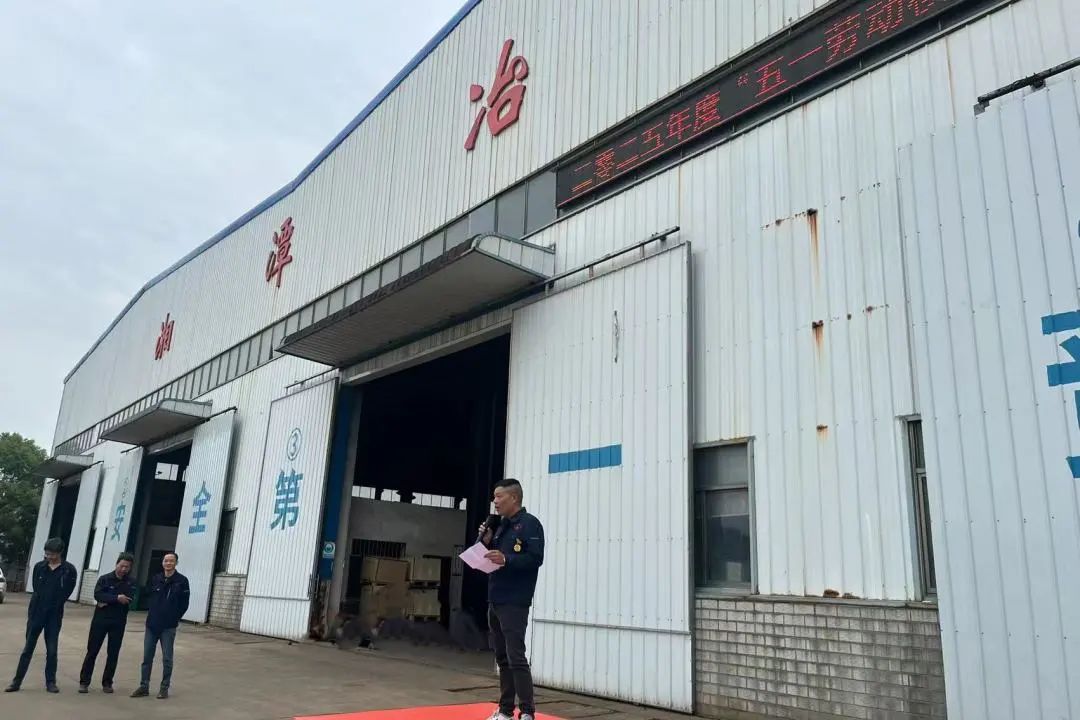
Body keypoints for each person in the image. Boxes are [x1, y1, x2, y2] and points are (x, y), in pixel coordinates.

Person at [479, 479, 545, 720]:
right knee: (502, 657)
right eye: (494, 497)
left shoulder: (530, 524)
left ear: (514, 498)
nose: (494, 501)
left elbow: (535, 559)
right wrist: (485, 540)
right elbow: (490, 557)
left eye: (499, 496)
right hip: (495, 597)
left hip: (515, 601)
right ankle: (505, 710)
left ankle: (527, 712)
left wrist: (507, 559)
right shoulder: (500, 526)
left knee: (516, 656)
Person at [6, 537, 78, 694]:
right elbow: (36, 588)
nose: (49, 557)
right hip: (36, 614)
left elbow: (67, 591)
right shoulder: (39, 567)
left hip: (54, 616)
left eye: (52, 554)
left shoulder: (69, 570)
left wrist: (54, 605)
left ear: (60, 553)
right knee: (27, 649)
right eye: (47, 553)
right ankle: (16, 682)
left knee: (52, 650)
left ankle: (51, 682)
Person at [131, 551, 189, 700]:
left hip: (168, 627)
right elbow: (149, 596)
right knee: (147, 657)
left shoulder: (182, 581)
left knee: (167, 659)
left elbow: (184, 604)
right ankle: (144, 686)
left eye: (171, 561)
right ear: (162, 563)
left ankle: (164, 688)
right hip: (152, 625)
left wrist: (174, 617)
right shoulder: (156, 579)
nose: (168, 563)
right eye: (166, 561)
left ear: (176, 563)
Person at [78, 552, 135, 694]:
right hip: (100, 620)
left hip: (118, 621)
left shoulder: (131, 582)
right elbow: (98, 595)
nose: (124, 569)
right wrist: (116, 598)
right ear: (116, 564)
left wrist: (107, 600)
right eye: (122, 566)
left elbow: (129, 599)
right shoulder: (104, 579)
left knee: (113, 653)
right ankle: (84, 682)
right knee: (92, 651)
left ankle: (107, 682)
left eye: (127, 567)